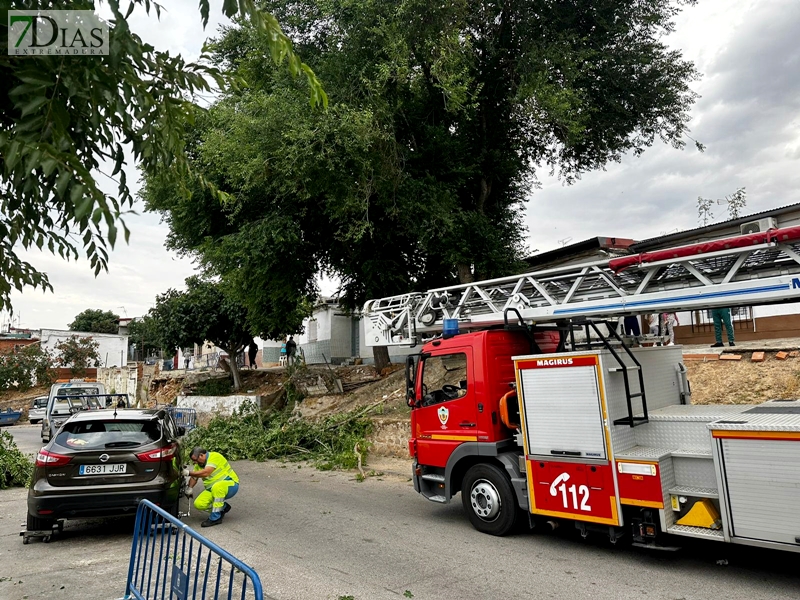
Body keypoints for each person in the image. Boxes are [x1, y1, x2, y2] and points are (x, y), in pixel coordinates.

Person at [187, 447, 240, 527]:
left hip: (230, 484)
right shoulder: (199, 465)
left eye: (195, 460)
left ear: (201, 455)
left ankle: (215, 518)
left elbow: (206, 472)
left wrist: (188, 473)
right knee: (199, 504)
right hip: (212, 489)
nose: (195, 463)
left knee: (217, 487)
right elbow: (194, 477)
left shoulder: (214, 457)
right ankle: (223, 507)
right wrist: (189, 488)